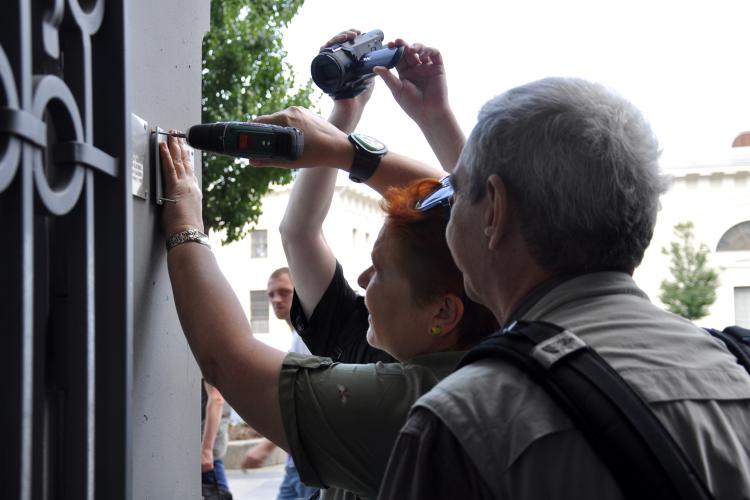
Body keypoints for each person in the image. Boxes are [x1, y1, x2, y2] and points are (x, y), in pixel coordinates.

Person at [158, 105, 498, 500]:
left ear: (443, 312)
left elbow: (227, 360)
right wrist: (342, 141)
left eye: (380, 270)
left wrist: (184, 224)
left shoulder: (412, 404)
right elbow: (472, 210)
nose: (362, 279)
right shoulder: (498, 363)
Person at [241, 267, 318, 500]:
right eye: (271, 294)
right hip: (296, 464)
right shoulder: (298, 336)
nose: (276, 299)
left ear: (301, 291)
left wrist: (266, 446)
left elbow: (303, 402)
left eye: (284, 292)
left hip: (310, 464)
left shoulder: (308, 338)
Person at [201, 381, 232, 499]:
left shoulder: (208, 362)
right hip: (209, 446)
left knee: (217, 495)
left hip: (206, 448)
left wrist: (206, 450)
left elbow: (216, 399)